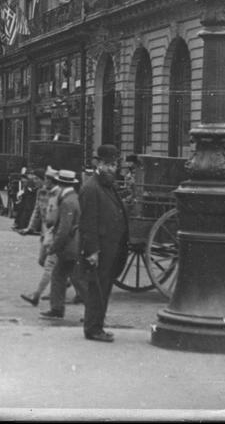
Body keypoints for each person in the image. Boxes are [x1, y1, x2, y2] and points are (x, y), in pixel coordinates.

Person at [78, 144, 129, 343]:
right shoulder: (91, 188)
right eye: (107, 164)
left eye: (114, 164)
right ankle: (93, 329)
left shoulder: (106, 185)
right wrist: (92, 251)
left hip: (111, 248)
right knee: (97, 289)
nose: (111, 168)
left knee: (103, 288)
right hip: (100, 249)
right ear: (97, 163)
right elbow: (88, 223)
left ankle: (96, 326)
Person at [39, 170, 87, 320]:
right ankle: (57, 308)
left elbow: (64, 229)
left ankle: (93, 311)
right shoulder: (72, 197)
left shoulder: (67, 201)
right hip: (72, 245)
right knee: (59, 275)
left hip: (69, 246)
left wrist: (54, 247)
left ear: (60, 184)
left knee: (77, 279)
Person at [20, 167, 61, 306]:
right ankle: (64, 281)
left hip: (55, 234)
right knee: (42, 260)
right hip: (45, 233)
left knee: (50, 265)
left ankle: (36, 295)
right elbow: (37, 212)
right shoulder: (41, 192)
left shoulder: (58, 194)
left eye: (38, 179)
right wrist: (30, 228)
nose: (35, 181)